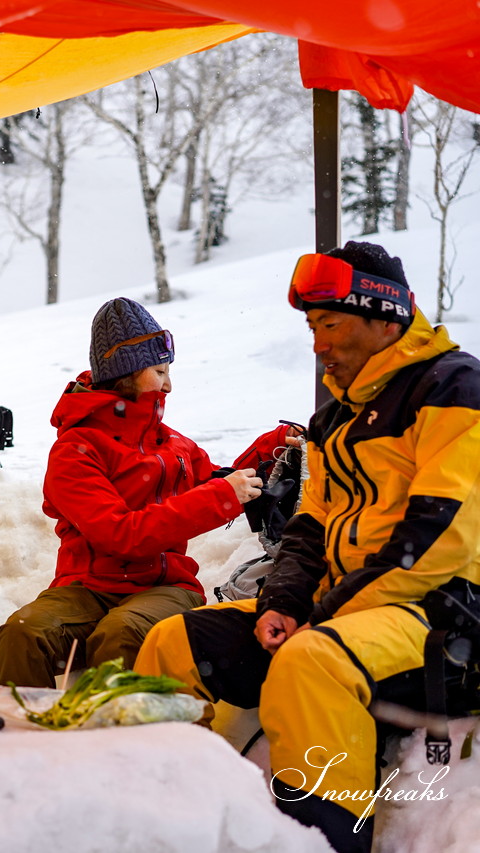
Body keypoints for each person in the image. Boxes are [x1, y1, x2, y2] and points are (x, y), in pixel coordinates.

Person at [135, 241, 480, 853]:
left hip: (442, 613)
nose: (318, 344)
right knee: (173, 642)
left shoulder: (452, 388)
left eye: (332, 325)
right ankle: (166, 823)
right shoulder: (333, 420)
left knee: (311, 661)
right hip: (347, 610)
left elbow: (441, 533)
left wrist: (321, 617)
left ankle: (322, 841)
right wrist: (284, 601)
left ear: (384, 319)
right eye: (312, 327)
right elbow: (310, 526)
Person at [0, 296, 292, 689]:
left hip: (166, 587)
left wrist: (274, 444)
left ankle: (119, 745)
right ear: (127, 373)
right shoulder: (75, 451)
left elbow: (223, 480)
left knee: (122, 632)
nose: (169, 384)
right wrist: (222, 495)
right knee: (22, 632)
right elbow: (123, 534)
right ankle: (18, 741)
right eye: (159, 370)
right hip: (88, 587)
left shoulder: (172, 444)